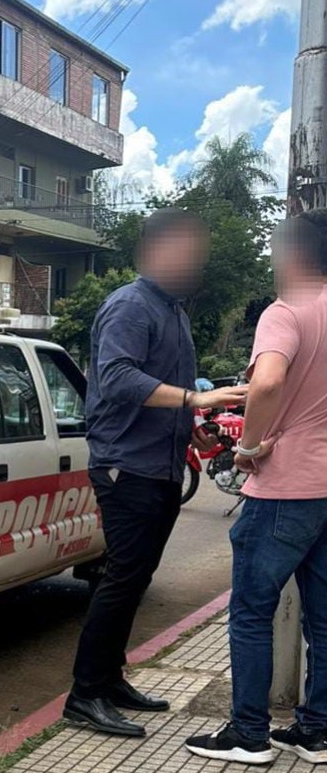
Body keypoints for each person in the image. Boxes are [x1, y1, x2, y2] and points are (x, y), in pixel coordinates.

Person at [63, 208, 249, 737]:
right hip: (127, 463)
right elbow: (119, 378)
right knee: (121, 578)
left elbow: (158, 391)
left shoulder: (174, 311)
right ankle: (85, 693)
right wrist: (196, 396)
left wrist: (191, 426)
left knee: (137, 578)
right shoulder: (130, 306)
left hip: (161, 463)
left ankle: (110, 678)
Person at [186, 211, 327, 765]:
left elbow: (268, 381)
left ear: (294, 256)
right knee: (324, 618)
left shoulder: (286, 311)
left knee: (250, 611)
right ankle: (316, 733)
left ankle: (249, 733)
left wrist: (251, 445)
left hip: (284, 487)